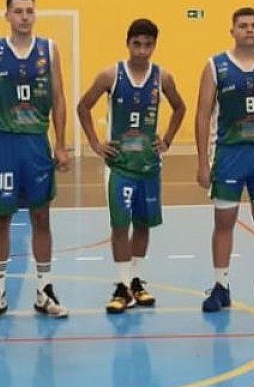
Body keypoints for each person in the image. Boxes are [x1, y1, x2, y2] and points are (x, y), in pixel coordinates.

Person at [77, 18, 186, 314]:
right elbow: (83, 106)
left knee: (142, 223)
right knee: (120, 223)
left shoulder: (163, 78)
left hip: (149, 164)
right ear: (128, 44)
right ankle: (122, 284)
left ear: (154, 46)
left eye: (148, 44)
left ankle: (136, 280)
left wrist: (167, 139)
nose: (142, 50)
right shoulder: (110, 75)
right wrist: (96, 143)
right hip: (120, 165)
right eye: (137, 44)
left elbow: (180, 107)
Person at [0, 0, 71, 320]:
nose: (24, 16)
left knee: (41, 217)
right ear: (7, 15)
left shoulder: (49, 49)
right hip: (4, 143)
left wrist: (60, 144)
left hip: (36, 143)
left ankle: (45, 290)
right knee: (1, 218)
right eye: (18, 11)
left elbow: (59, 99)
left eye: (30, 10)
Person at [194, 7, 254, 313]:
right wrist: (202, 161)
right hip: (228, 153)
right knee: (224, 222)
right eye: (243, 26)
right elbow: (203, 113)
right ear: (232, 30)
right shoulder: (215, 65)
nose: (250, 30)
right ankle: (220, 286)